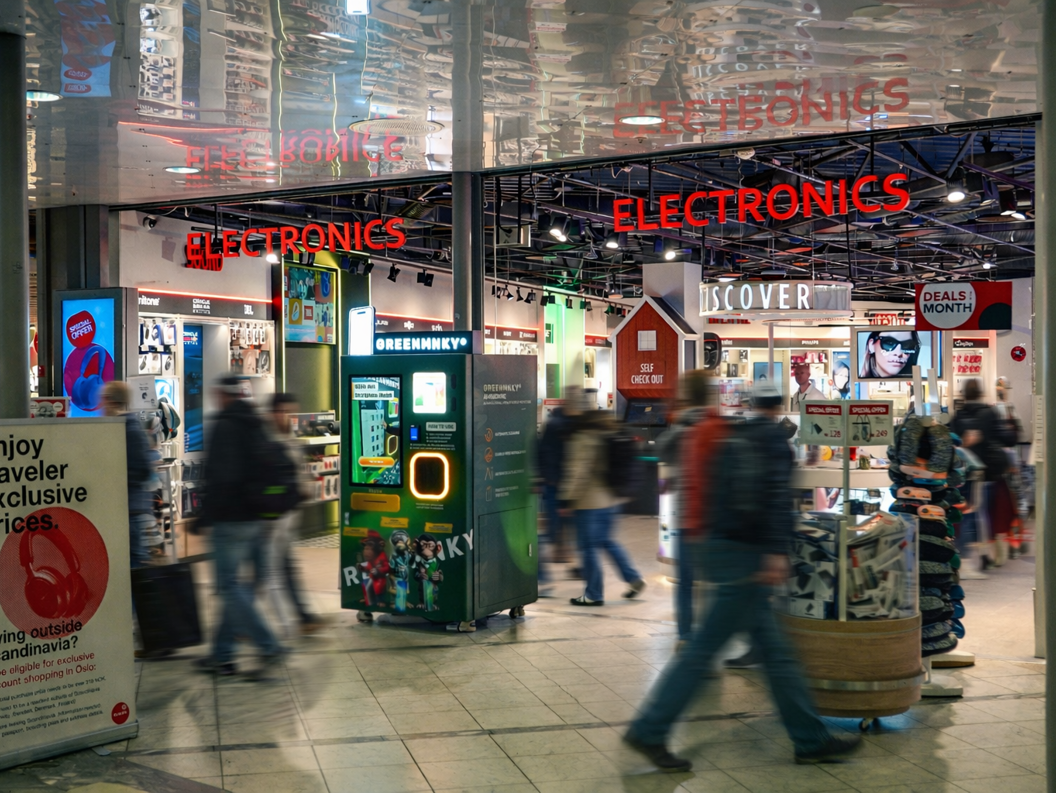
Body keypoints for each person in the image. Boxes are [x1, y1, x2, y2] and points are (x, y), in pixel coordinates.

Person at [623, 380, 861, 771]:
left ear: (751, 404)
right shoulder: (773, 441)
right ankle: (650, 729)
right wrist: (773, 552)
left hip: (719, 545)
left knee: (775, 652)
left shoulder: (738, 433)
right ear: (780, 405)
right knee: (706, 649)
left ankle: (809, 739)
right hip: (745, 555)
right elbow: (773, 498)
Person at [196, 376, 283, 677]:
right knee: (233, 586)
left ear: (223, 395)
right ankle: (222, 655)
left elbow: (222, 477)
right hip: (256, 518)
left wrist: (205, 515)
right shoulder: (255, 422)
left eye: (217, 393)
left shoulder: (225, 424)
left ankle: (268, 644)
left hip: (230, 518)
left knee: (229, 587)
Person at [656, 371, 721, 640]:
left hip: (686, 517)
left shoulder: (682, 427)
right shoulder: (717, 424)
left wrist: (676, 416)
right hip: (713, 517)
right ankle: (709, 640)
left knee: (685, 583)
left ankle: (685, 638)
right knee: (712, 583)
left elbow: (662, 451)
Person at [560, 410, 646, 606]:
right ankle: (633, 578)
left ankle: (593, 594)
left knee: (588, 548)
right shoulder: (612, 434)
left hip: (590, 503)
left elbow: (578, 472)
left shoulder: (584, 438)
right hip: (611, 501)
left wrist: (566, 498)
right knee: (608, 542)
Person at [264, 393, 322, 637]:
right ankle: (296, 619)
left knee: (281, 567)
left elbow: (297, 472)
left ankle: (302, 615)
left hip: (287, 517)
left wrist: (304, 486)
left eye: (292, 413)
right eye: (284, 412)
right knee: (270, 571)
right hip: (271, 519)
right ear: (273, 412)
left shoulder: (288, 440)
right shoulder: (266, 442)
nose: (289, 418)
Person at [951, 379, 1017, 569]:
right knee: (985, 514)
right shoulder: (990, 413)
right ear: (980, 393)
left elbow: (952, 441)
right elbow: (1007, 438)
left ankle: (972, 555)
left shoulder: (959, 416)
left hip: (965, 472)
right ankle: (982, 555)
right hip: (989, 472)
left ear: (963, 394)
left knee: (970, 513)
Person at [101, 381, 154, 570]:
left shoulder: (127, 430)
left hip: (129, 511)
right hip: (128, 509)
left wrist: (115, 478)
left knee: (131, 570)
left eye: (103, 400)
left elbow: (142, 469)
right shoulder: (126, 429)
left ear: (109, 401)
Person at [535, 385, 584, 586]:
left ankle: (574, 566)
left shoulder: (572, 423)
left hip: (568, 487)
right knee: (550, 532)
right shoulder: (558, 425)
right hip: (557, 487)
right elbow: (545, 453)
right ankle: (540, 574)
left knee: (570, 530)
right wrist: (547, 479)